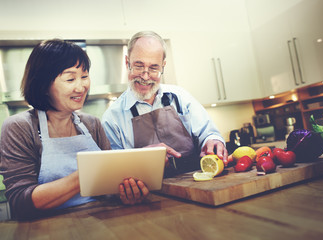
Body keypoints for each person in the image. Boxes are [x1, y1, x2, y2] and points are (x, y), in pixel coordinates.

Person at [0, 39, 147, 221]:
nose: (81, 86)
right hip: (45, 229)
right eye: (70, 79)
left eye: (84, 76)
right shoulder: (19, 127)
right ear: (43, 85)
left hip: (100, 221)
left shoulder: (92, 124)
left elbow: (109, 187)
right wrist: (87, 174)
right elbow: (20, 202)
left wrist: (125, 192)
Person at [102, 31, 228, 178]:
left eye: (154, 68)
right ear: (127, 62)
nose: (145, 76)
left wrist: (213, 141)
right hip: (149, 195)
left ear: (163, 66)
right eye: (138, 66)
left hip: (197, 184)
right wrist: (142, 158)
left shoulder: (180, 97)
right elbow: (116, 172)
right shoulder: (112, 119)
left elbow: (208, 133)